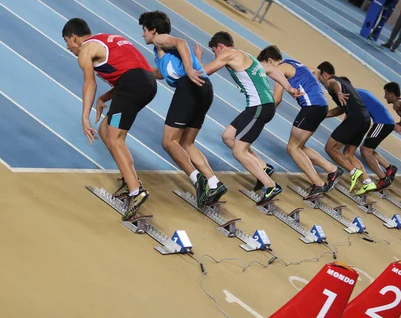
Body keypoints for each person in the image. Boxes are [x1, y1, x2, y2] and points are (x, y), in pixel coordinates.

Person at [63, 18, 157, 220]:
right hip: (145, 83)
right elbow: (131, 71)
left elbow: (90, 84)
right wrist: (104, 98)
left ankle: (136, 192)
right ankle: (131, 182)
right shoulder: (107, 38)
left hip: (133, 86)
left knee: (115, 138)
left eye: (67, 42)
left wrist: (84, 117)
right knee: (107, 131)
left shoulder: (86, 50)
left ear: (74, 37)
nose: (68, 48)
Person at [197, 32, 301, 205]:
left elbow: (204, 72)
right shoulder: (247, 55)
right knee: (228, 136)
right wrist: (289, 88)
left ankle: (270, 186)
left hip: (258, 107)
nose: (216, 56)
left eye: (215, 51)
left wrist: (199, 59)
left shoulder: (229, 54)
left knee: (239, 151)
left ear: (221, 46)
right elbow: (273, 70)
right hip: (259, 106)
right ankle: (263, 167)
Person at [139, 11, 224, 209]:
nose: (142, 34)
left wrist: (188, 68)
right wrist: (138, 70)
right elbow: (161, 73)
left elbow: (182, 43)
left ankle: (198, 180)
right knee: (186, 143)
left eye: (144, 30)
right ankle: (214, 183)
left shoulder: (161, 39)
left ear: (153, 30)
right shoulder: (159, 54)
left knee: (169, 142)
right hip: (204, 89)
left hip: (190, 86)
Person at [257, 46, 342, 198]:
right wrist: (311, 87)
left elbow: (276, 99)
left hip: (312, 107)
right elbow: (316, 71)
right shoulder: (293, 62)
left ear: (270, 61)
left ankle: (319, 184)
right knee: (299, 146)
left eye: (265, 67)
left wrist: (262, 116)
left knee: (292, 148)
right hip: (320, 105)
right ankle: (332, 170)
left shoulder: (280, 70)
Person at [317, 63, 376, 196]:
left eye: (320, 77)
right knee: (349, 153)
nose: (319, 81)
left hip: (355, 119)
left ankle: (353, 171)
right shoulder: (343, 82)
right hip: (365, 120)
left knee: (330, 148)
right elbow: (340, 109)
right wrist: (322, 115)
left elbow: (333, 84)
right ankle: (367, 182)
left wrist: (338, 92)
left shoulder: (333, 81)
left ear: (325, 74)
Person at [343, 80, 398, 191]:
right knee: (368, 148)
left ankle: (383, 179)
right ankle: (389, 167)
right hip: (385, 122)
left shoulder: (354, 95)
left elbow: (351, 115)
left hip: (382, 122)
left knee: (365, 151)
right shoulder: (360, 91)